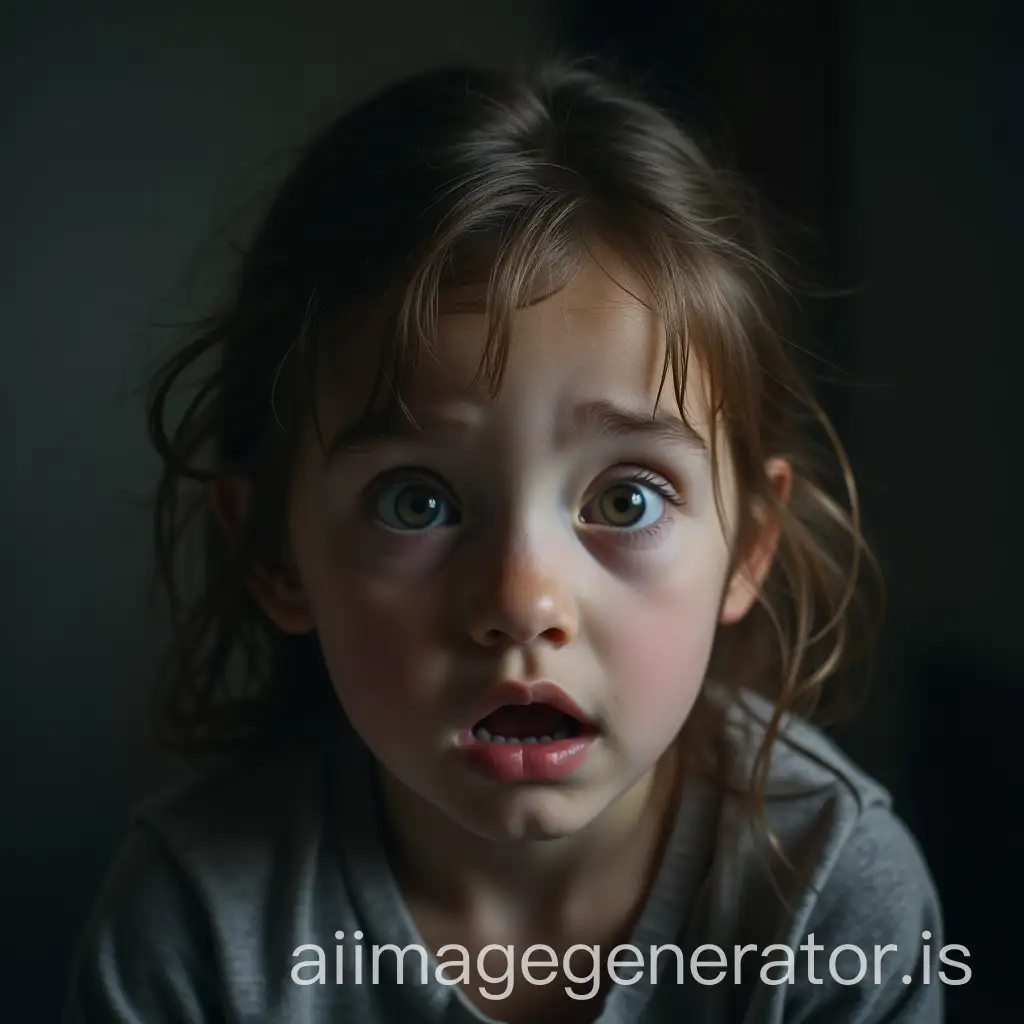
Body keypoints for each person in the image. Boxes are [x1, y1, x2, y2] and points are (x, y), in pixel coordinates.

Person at [63, 57, 945, 1023]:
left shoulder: (830, 904)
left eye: (625, 502)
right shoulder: (192, 921)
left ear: (747, 546)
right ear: (276, 553)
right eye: (416, 502)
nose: (523, 602)